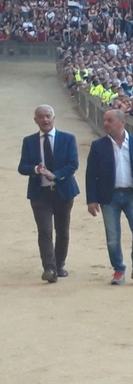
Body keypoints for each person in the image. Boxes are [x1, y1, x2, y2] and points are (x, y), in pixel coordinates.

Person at [84, 108, 133, 285]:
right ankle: (118, 269)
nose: (106, 123)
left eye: (109, 120)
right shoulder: (98, 145)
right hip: (109, 196)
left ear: (121, 123)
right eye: (105, 120)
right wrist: (91, 199)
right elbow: (90, 174)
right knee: (112, 236)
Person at [19, 104, 80, 283]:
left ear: (53, 118)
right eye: (41, 117)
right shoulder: (29, 141)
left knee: (62, 230)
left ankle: (59, 264)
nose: (45, 120)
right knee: (44, 230)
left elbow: (73, 164)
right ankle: (49, 268)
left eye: (48, 116)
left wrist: (56, 175)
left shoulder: (67, 139)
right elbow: (22, 167)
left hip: (63, 191)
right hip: (40, 193)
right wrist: (36, 169)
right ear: (35, 120)